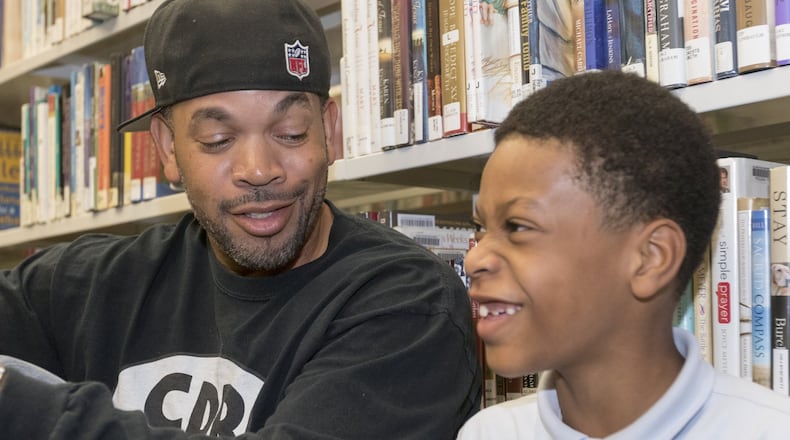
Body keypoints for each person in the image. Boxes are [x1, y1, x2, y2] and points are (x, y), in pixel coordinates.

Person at [0, 0, 482, 438]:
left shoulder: (408, 303)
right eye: (218, 140)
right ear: (168, 149)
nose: (259, 170)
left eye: (291, 133)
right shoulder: (90, 284)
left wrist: (16, 403)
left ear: (329, 131)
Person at [456, 70, 790, 439]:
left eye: (518, 227)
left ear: (650, 258)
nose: (474, 260)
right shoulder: (489, 433)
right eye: (480, 227)